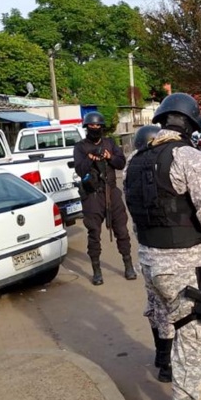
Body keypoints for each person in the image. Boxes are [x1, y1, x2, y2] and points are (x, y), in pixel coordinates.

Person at [124, 93, 201, 400]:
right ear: (190, 124)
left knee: (182, 334)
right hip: (189, 267)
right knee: (195, 340)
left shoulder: (135, 161)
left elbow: (137, 215)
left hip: (151, 262)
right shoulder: (188, 156)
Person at [129, 124, 174, 383]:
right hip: (167, 251)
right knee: (169, 309)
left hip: (146, 249)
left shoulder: (132, 169)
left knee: (155, 305)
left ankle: (160, 356)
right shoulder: (162, 169)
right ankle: (167, 365)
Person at [74, 111, 137, 285]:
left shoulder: (110, 143)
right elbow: (80, 170)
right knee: (94, 233)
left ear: (102, 127)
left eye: (98, 125)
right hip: (93, 195)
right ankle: (96, 271)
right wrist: (90, 158)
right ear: (87, 127)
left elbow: (121, 163)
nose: (95, 128)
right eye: (91, 125)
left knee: (122, 231)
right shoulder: (80, 147)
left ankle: (128, 265)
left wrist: (109, 156)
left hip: (111, 192)